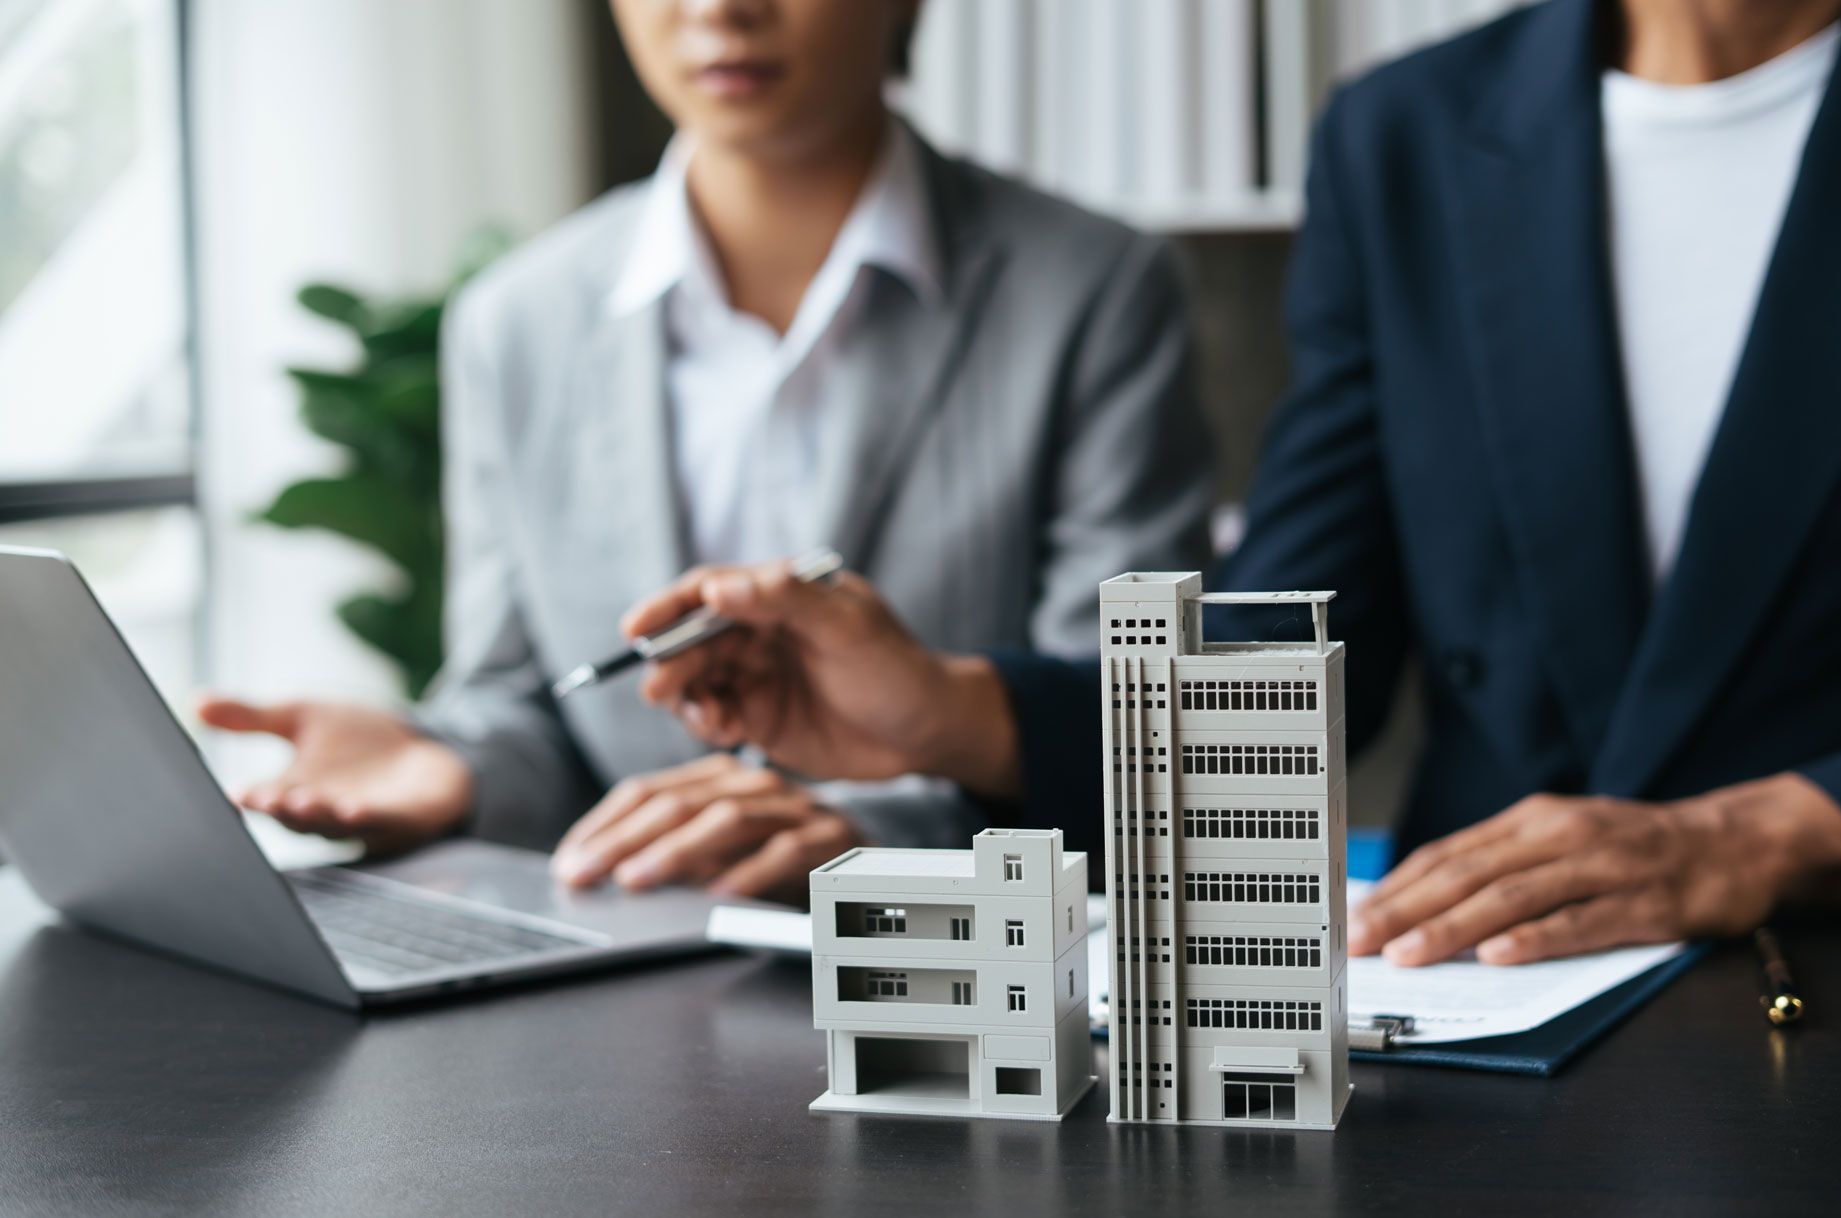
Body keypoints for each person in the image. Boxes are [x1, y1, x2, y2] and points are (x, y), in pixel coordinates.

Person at [620, 0, 1841, 961]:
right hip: (1477, 999)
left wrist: (1768, 833)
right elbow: (1290, 653)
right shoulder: (1402, 136)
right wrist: (949, 709)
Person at [197, 0, 1213, 899]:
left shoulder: (1094, 290)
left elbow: (1125, 721)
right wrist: (451, 767)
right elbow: (526, 704)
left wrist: (873, 839)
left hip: (964, 973)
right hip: (628, 977)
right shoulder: (518, 320)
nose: (721, 10)